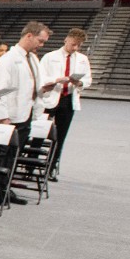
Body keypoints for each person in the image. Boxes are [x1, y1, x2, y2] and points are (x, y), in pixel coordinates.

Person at [0, 22, 52, 202]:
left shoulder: (31, 58)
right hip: (10, 116)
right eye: (40, 40)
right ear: (29, 36)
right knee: (3, 154)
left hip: (26, 112)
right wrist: (3, 117)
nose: (41, 45)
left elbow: (35, 82)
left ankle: (5, 187)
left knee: (15, 153)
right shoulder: (8, 59)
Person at [39, 27, 90, 180]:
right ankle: (30, 164)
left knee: (61, 135)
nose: (75, 48)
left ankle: (51, 167)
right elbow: (41, 77)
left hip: (68, 99)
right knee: (39, 132)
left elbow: (88, 79)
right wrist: (55, 80)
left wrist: (79, 82)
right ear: (66, 40)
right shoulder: (50, 56)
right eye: (73, 44)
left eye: (78, 45)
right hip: (51, 97)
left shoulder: (82, 59)